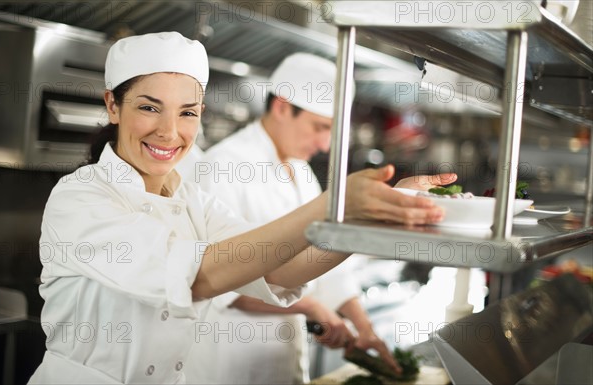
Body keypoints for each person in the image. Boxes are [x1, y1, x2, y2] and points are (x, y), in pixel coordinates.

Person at [28, 31, 451, 384]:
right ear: (112, 106)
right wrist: (332, 206)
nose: (170, 131)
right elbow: (199, 276)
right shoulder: (79, 198)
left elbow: (277, 268)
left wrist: (370, 217)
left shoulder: (191, 201)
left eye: (188, 112)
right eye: (149, 107)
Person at [185, 53, 457, 384]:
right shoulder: (221, 167)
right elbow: (217, 281)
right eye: (320, 127)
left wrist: (364, 329)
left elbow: (326, 260)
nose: (325, 144)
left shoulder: (301, 172)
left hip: (283, 358)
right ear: (283, 107)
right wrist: (310, 307)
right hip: (227, 361)